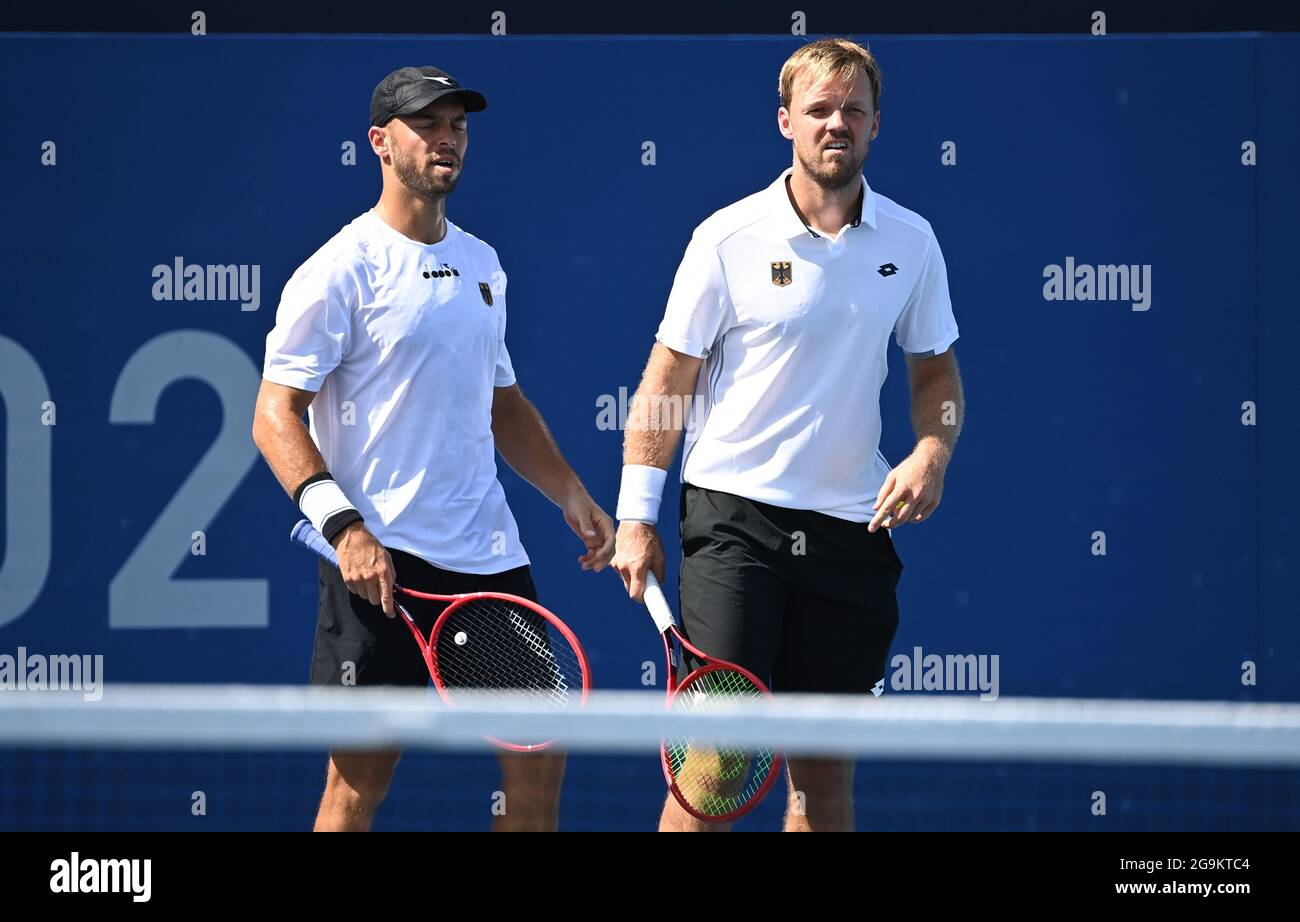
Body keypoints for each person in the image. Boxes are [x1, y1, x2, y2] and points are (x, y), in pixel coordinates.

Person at [610, 39, 965, 832]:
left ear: (876, 126)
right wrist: (637, 514)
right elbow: (669, 380)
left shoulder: (912, 243)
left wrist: (931, 452)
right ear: (785, 123)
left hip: (851, 530)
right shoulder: (726, 238)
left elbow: (936, 374)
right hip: (737, 521)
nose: (836, 124)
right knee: (717, 769)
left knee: (824, 777)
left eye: (853, 111)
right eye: (819, 110)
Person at [252, 65, 615, 832]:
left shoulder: (484, 264)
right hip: (379, 565)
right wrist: (345, 528)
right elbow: (275, 415)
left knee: (539, 754)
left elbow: (502, 402)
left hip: (487, 562)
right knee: (358, 783)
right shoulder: (338, 271)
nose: (447, 138)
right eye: (428, 125)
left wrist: (569, 492)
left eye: (457, 125)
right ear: (381, 143)